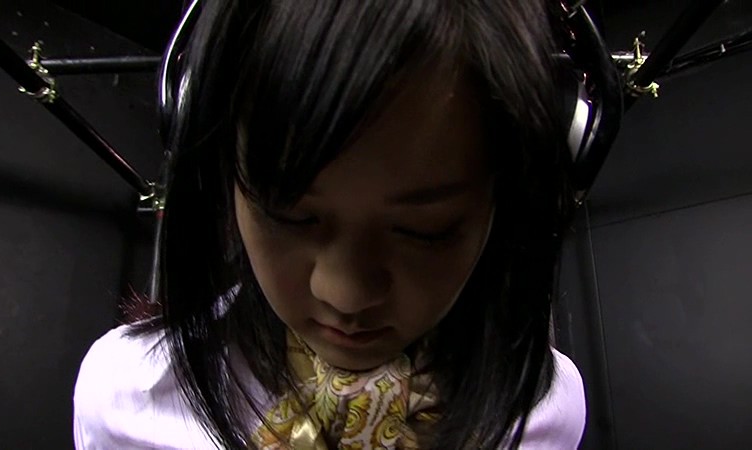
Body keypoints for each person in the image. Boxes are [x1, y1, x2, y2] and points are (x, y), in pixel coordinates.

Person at [74, 0, 586, 448]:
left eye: (424, 230)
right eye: (290, 216)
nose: (345, 295)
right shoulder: (127, 400)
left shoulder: (542, 411)